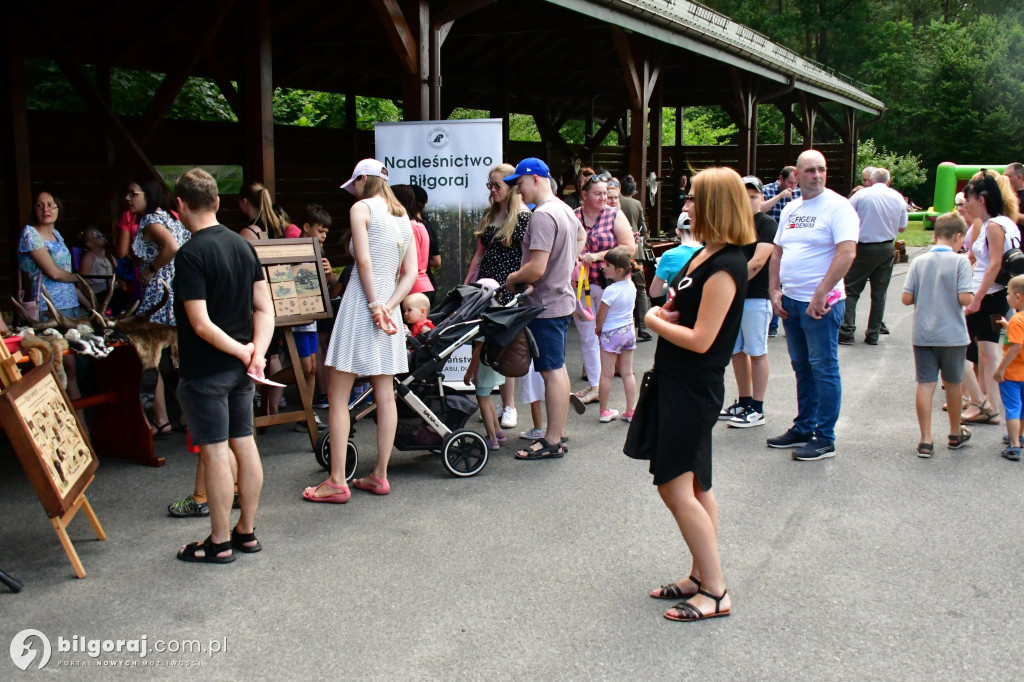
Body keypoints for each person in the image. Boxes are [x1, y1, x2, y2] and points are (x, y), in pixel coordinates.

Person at [643, 167, 752, 622]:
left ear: (713, 206)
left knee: (675, 487)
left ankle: (717, 591)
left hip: (693, 386)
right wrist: (669, 309)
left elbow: (703, 339)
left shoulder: (727, 265)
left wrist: (653, 320)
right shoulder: (704, 255)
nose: (685, 205)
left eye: (692, 199)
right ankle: (699, 576)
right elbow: (681, 305)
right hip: (675, 381)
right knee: (695, 484)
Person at [173, 167, 274, 564]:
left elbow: (199, 323)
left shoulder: (191, 254)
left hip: (207, 370)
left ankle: (218, 541)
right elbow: (265, 308)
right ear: (216, 202)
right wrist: (256, 352)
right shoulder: (243, 245)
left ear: (180, 206)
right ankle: (246, 531)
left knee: (215, 452)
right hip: (243, 369)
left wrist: (241, 351)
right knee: (244, 443)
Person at [303, 159, 417, 502]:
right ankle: (380, 474)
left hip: (360, 305)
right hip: (390, 309)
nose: (352, 190)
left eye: (354, 184)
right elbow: (410, 273)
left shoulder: (361, 208)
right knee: (385, 393)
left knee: (338, 396)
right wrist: (389, 304)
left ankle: (337, 480)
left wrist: (372, 305)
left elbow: (363, 261)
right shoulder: (403, 217)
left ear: (364, 180)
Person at [767, 149, 859, 461]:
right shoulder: (792, 209)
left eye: (821, 169)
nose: (816, 175)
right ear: (797, 174)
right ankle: (804, 426)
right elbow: (777, 252)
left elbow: (847, 253)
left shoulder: (838, 207)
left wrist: (822, 292)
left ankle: (825, 437)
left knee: (824, 368)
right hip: (791, 301)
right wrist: (774, 290)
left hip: (821, 304)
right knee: (802, 366)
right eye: (809, 170)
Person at [504, 157, 581, 459]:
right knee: (557, 369)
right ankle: (557, 433)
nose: (517, 191)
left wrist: (512, 278)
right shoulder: (565, 211)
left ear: (535, 179)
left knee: (551, 371)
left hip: (545, 304)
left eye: (519, 184)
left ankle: (551, 439)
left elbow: (536, 268)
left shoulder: (542, 216)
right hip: (560, 300)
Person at [464, 163, 532, 430]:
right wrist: (469, 281)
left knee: (504, 345)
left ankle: (510, 406)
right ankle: (491, 402)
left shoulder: (525, 217)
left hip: (509, 288)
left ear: (512, 187)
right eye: (489, 185)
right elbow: (480, 254)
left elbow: (529, 256)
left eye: (497, 186)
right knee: (484, 342)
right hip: (486, 286)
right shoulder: (489, 215)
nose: (492, 191)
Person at [901, 211, 973, 457]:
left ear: (935, 234)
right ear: (959, 237)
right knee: (953, 384)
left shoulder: (919, 262)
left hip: (923, 333)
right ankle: (954, 432)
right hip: (952, 333)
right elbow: (964, 297)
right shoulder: (961, 261)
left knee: (925, 383)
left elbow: (906, 298)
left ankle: (925, 439)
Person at [129, 176, 191, 437]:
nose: (128, 199)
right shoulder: (172, 217)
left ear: (148, 194)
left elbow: (172, 247)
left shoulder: (152, 221)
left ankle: (162, 419)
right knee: (178, 357)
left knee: (151, 357)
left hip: (159, 293)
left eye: (133, 193)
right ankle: (185, 415)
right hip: (179, 289)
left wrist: (151, 270)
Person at [960, 173, 1022, 425]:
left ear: (982, 200)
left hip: (987, 295)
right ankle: (990, 405)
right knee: (986, 353)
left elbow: (994, 264)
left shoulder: (994, 226)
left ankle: (982, 403)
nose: (966, 204)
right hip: (995, 295)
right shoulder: (1006, 222)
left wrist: (977, 299)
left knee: (974, 351)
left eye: (969, 199)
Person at [572, 171, 635, 404]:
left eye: (605, 194)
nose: (603, 198)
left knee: (608, 333)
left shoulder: (614, 216)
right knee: (588, 336)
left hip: (610, 285)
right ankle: (596, 385)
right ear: (584, 195)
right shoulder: (573, 217)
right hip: (580, 285)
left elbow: (630, 248)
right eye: (597, 194)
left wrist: (598, 255)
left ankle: (605, 383)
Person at [719, 176, 777, 428]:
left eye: (754, 196)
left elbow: (758, 261)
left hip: (755, 296)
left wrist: (732, 284)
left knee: (757, 350)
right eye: (744, 196)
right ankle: (743, 401)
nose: (749, 200)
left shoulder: (767, 224)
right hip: (733, 298)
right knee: (737, 351)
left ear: (761, 198)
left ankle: (757, 407)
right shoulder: (733, 225)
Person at [838, 168, 908, 345]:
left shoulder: (861, 196)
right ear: (888, 182)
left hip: (863, 247)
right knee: (879, 293)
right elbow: (902, 227)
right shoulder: (898, 198)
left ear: (871, 180)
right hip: (886, 247)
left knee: (851, 289)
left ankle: (847, 330)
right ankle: (873, 333)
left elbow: (845, 216)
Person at [595, 246, 637, 423]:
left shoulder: (610, 291)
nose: (603, 267)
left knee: (606, 374)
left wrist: (598, 329)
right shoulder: (631, 286)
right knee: (628, 373)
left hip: (611, 333)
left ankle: (604, 410)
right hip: (628, 331)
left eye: (608, 265)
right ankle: (630, 410)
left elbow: (601, 315)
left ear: (619, 270)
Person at [614, 175, 653, 342]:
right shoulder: (637, 204)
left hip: (618, 249)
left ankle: (622, 325)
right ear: (634, 190)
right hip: (635, 251)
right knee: (641, 289)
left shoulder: (616, 202)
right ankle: (643, 325)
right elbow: (643, 228)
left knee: (619, 287)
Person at [995, 275, 1024, 461]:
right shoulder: (1016, 322)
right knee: (1022, 408)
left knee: (1012, 408)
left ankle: (1013, 445)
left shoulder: (1016, 320)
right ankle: (1019, 436)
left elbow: (1016, 346)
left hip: (1012, 373)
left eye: (1008, 293)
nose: (1007, 297)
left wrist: (1000, 369)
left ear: (1018, 297)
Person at [649, 198, 702, 298]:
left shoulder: (669, 256)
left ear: (677, 231)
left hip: (674, 309)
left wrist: (672, 285)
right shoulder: (709, 254)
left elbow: (654, 292)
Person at [391, 185, 435, 297]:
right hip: (422, 285)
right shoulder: (419, 224)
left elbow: (409, 263)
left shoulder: (408, 227)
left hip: (411, 288)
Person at [464, 339, 506, 451]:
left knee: (483, 402)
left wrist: (468, 372)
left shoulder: (484, 329)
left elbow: (478, 351)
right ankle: (498, 431)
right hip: (494, 365)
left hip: (484, 368)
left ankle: (492, 438)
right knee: (486, 399)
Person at [78, 228, 115, 297]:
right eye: (97, 236)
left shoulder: (108, 255)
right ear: (90, 243)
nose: (101, 236)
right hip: (98, 291)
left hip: (110, 288)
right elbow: (82, 278)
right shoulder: (90, 256)